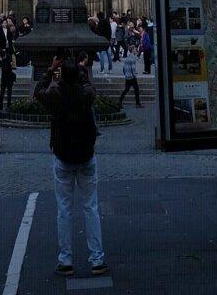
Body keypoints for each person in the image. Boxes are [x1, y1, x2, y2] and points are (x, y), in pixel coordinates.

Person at [35, 55, 108, 278]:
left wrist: (50, 69)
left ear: (61, 76)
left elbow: (38, 91)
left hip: (63, 155)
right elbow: (90, 88)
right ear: (78, 75)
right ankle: (97, 259)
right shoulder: (85, 94)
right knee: (91, 207)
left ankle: (65, 260)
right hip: (86, 155)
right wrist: (82, 71)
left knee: (64, 210)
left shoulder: (56, 94)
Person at [117, 43, 141, 109]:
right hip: (132, 77)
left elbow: (124, 68)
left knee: (126, 89)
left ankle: (120, 101)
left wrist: (126, 74)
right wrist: (135, 75)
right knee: (136, 89)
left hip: (127, 76)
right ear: (132, 50)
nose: (136, 50)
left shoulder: (128, 57)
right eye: (135, 49)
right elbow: (133, 68)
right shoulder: (133, 58)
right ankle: (137, 104)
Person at [0, 42, 16, 116]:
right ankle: (8, 105)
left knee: (2, 92)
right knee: (9, 92)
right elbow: (12, 66)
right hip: (9, 76)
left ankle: (1, 105)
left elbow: (0, 66)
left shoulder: (2, 60)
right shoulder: (9, 58)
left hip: (4, 77)